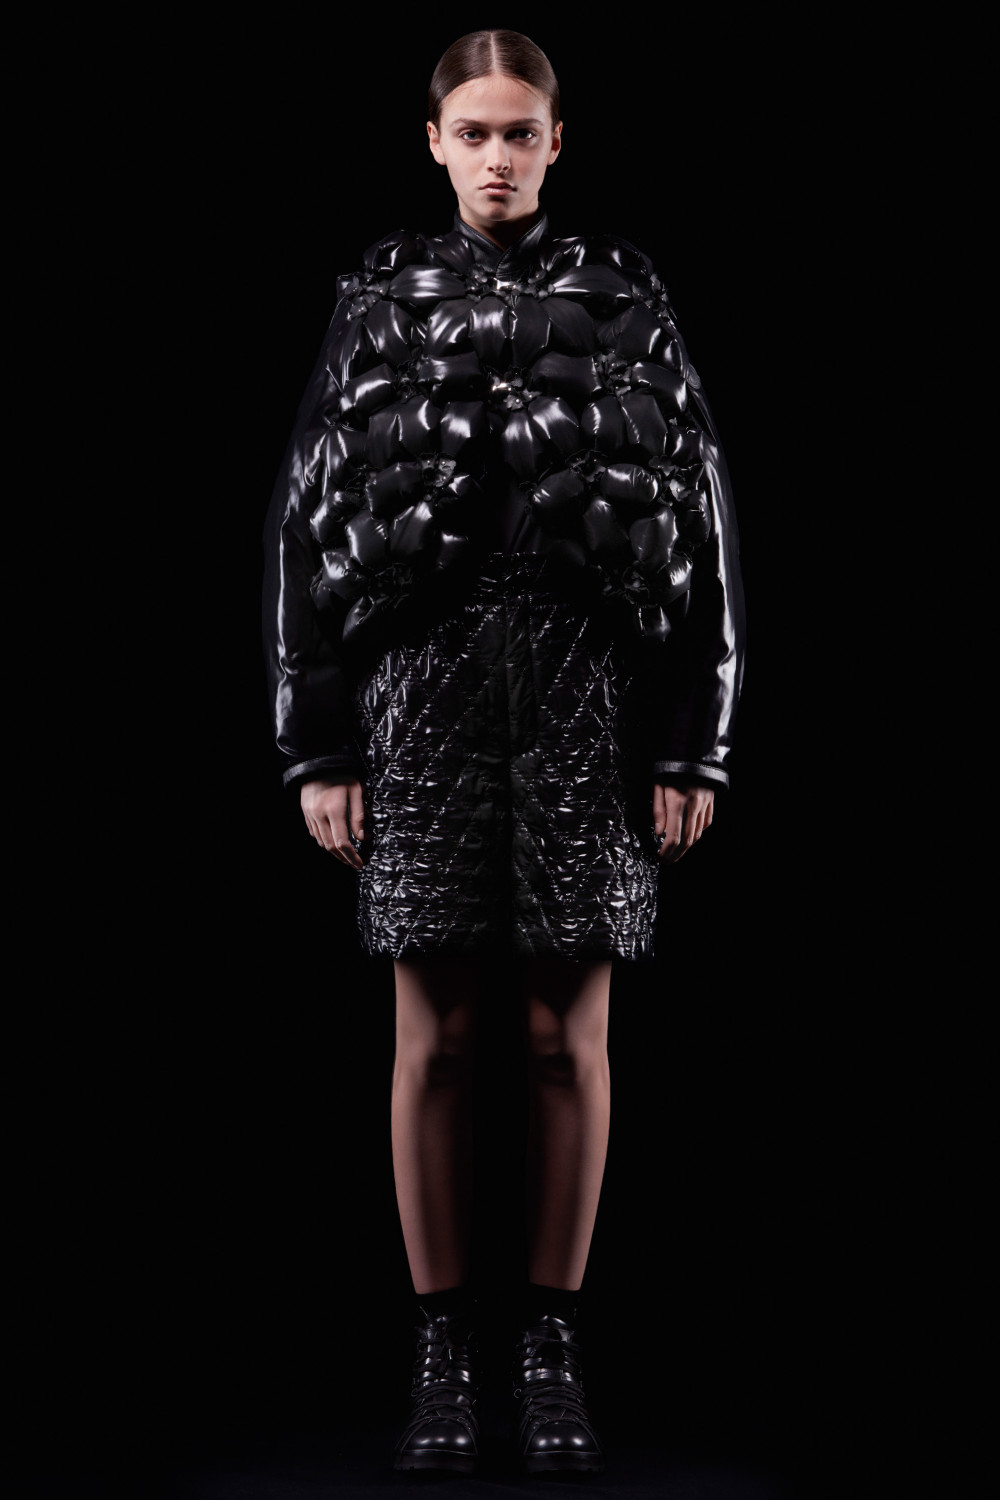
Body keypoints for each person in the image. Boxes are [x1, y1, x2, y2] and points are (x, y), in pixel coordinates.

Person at [262, 29, 745, 1477]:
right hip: (420, 690)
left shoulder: (624, 294)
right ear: (433, 141)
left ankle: (545, 1347)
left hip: (589, 690)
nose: (495, 157)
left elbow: (699, 508)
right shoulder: (379, 293)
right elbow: (309, 513)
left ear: (555, 142)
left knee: (559, 1036)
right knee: (436, 1037)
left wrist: (695, 740)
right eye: (471, 132)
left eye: (519, 132)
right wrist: (318, 741)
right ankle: (439, 1356)